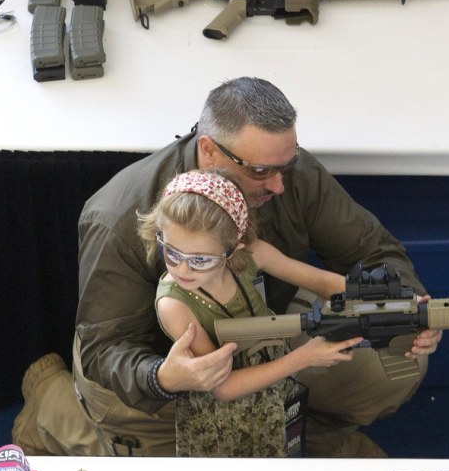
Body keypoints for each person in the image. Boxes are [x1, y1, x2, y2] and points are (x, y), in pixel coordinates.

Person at [12, 76, 441, 458]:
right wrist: (165, 377)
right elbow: (107, 348)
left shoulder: (284, 172)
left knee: (395, 359)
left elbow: (372, 248)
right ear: (209, 150)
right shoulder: (119, 216)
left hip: (257, 330)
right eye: (260, 171)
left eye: (285, 166)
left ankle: (308, 432)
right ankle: (56, 410)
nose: (279, 185)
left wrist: (404, 308)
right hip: (163, 377)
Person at [138, 169, 362, 456]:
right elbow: (223, 388)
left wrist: (397, 301)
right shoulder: (174, 305)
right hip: (223, 424)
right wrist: (305, 357)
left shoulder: (252, 254)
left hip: (271, 394)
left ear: (235, 247)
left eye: (201, 260)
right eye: (172, 253)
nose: (183, 269)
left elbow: (323, 282)